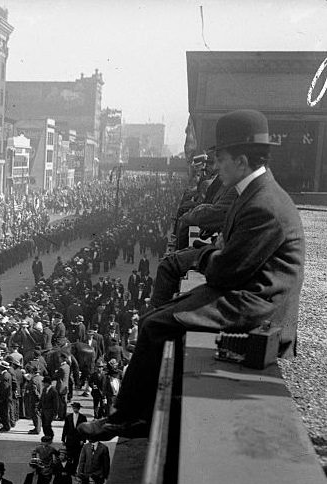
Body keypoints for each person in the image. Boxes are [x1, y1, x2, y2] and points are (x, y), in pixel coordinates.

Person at [82, 109, 305, 441]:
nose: (216, 167)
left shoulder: (264, 205)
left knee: (155, 325)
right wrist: (216, 257)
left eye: (221, 159)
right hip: (251, 292)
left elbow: (226, 271)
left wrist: (204, 256)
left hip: (258, 307)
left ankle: (128, 418)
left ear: (241, 161)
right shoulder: (258, 194)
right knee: (154, 318)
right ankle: (134, 414)